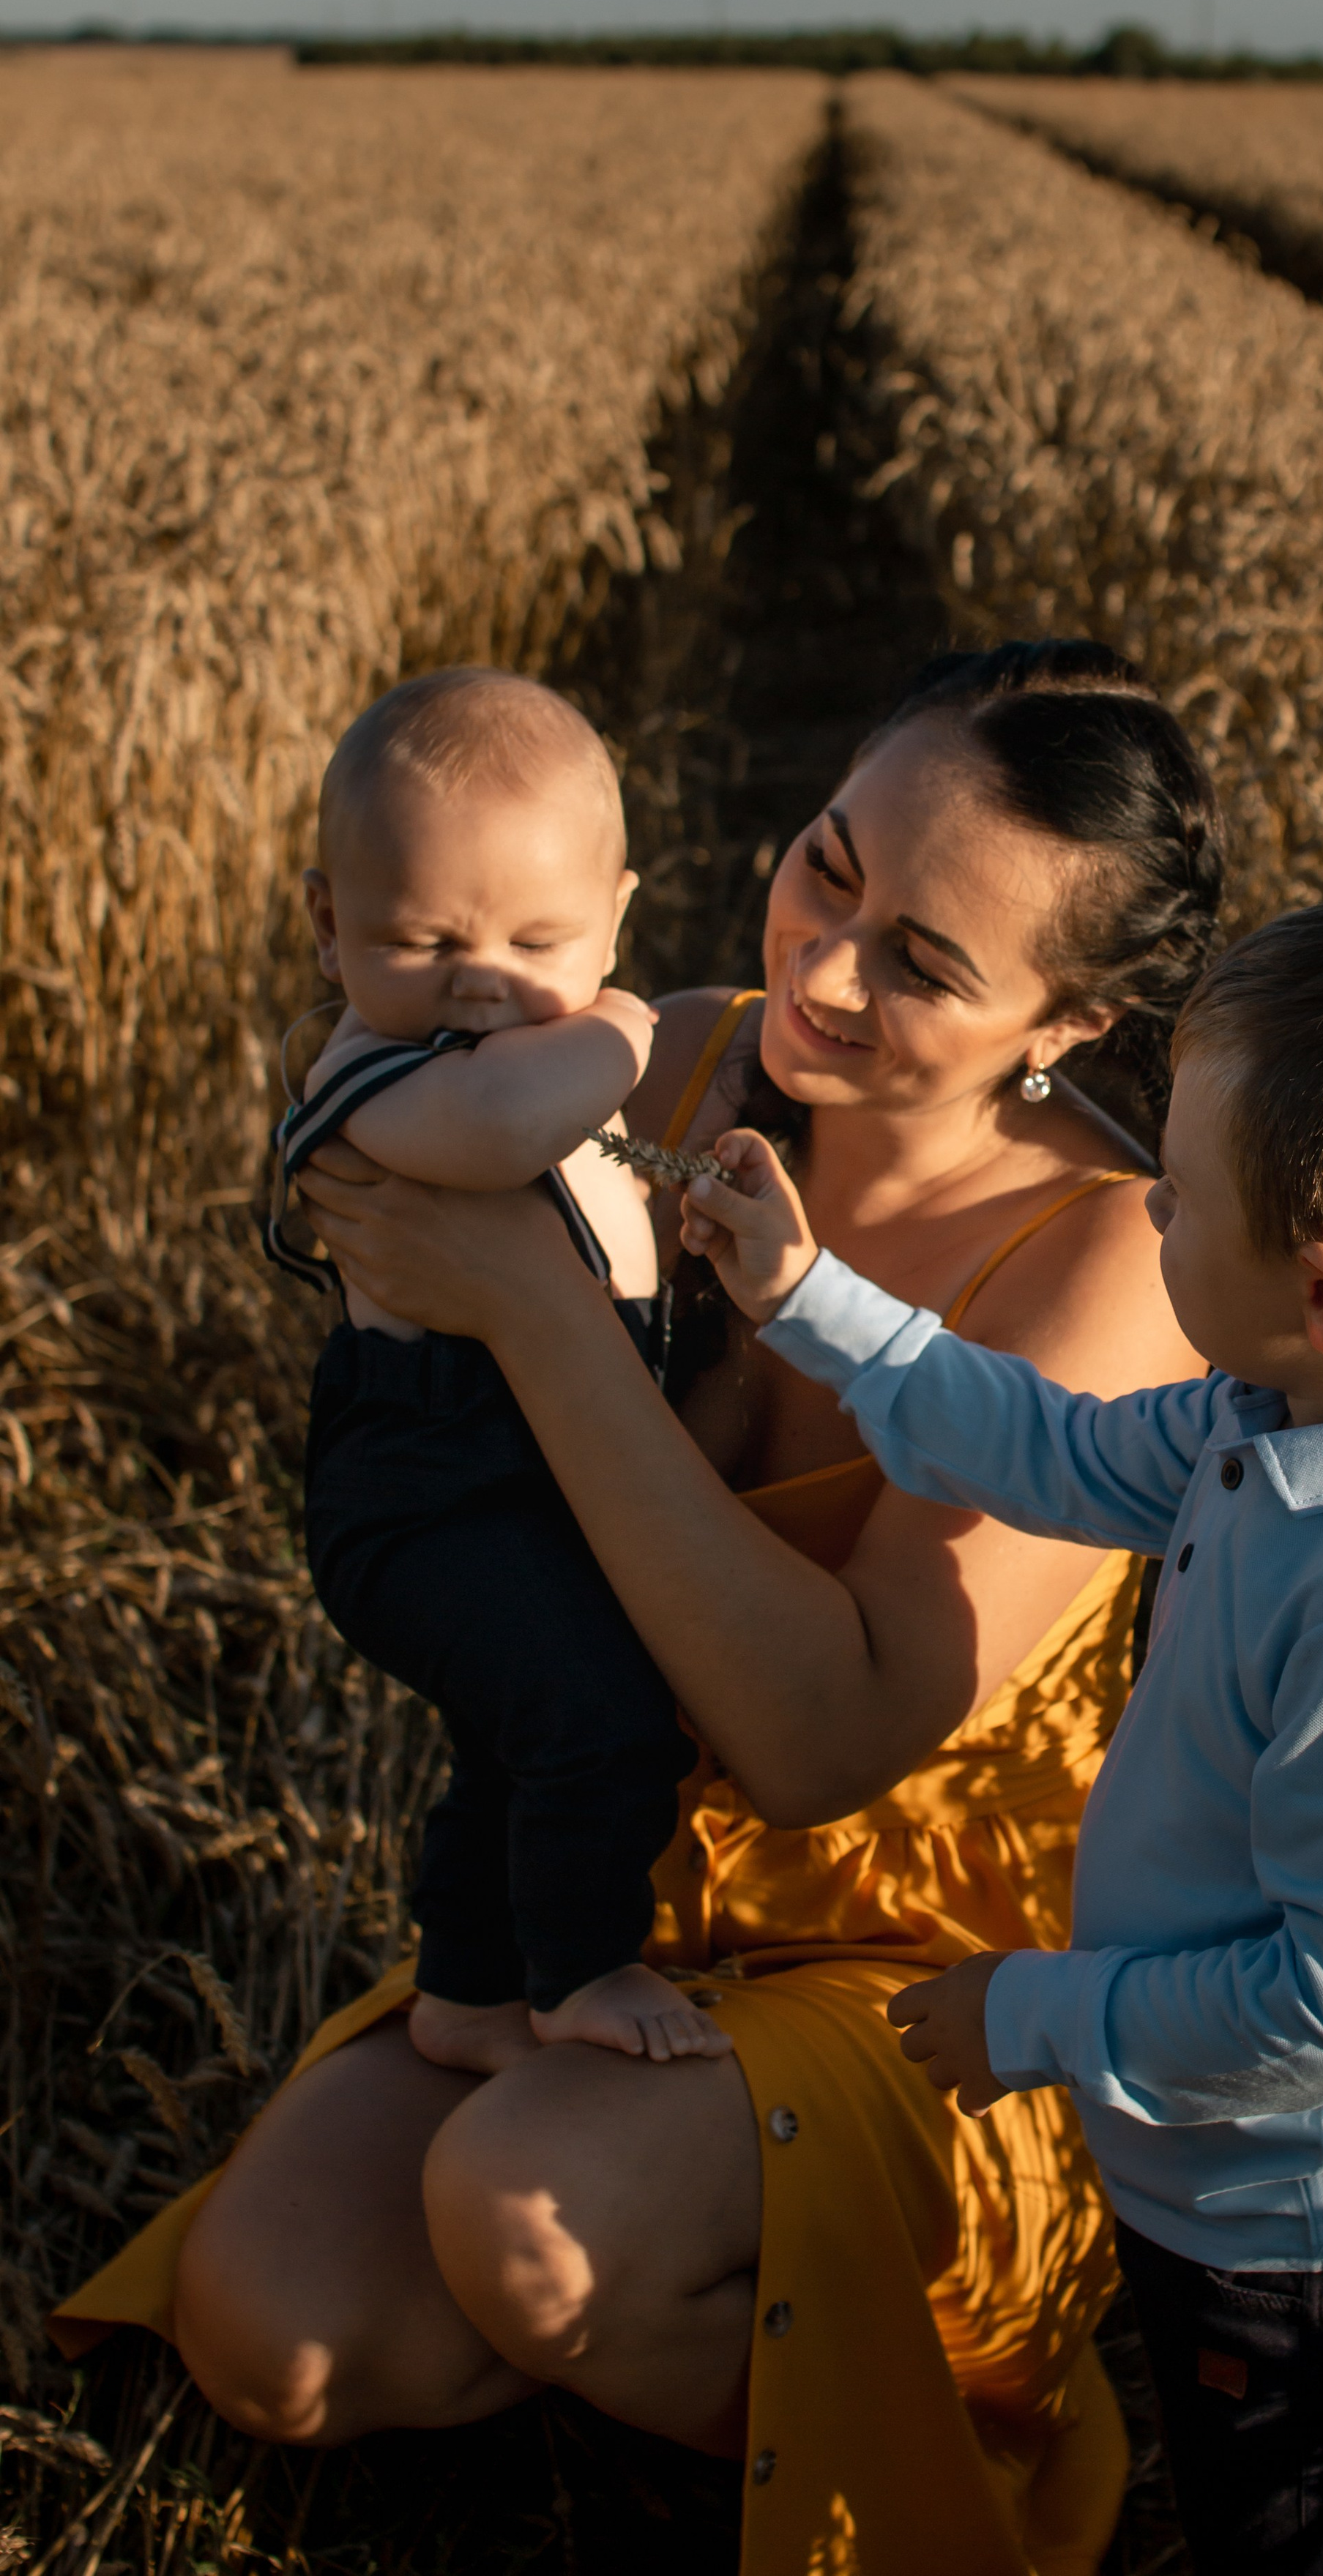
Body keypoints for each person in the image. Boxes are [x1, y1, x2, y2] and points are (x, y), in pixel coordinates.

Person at [51, 643, 1223, 2576]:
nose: (822, 971)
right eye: (827, 867)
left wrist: (529, 1304)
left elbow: (823, 1737)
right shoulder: (665, 1058)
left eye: (923, 964)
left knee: (524, 2212)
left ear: (1070, 1021)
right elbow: (356, 1172)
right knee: (275, 2334)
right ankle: (629, 2310)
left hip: (925, 2010)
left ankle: (891, 2461)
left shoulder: (1108, 1268)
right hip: (588, 1902)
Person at [680, 881, 1323, 2576]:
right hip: (1230, 2173)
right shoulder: (1274, 1415)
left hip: (1320, 2239)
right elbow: (1050, 1451)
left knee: (1285, 2532)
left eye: (1179, 1202)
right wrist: (808, 1297)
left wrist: (1038, 2012)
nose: (1146, 1223)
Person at [275, 665, 720, 2073]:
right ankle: (580, 1969)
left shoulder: (521, 1052)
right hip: (427, 1480)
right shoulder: (376, 1068)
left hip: (525, 1469)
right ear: (328, 928)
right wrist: (620, 1028)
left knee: (511, 1743)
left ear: (619, 918)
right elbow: (496, 1134)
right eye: (424, 936)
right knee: (599, 1720)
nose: (482, 976)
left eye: (541, 935)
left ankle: (468, 1989)